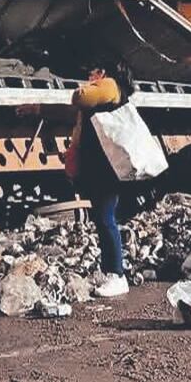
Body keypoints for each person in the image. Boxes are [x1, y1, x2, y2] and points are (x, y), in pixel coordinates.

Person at [68, 59, 135, 298]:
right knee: (102, 217)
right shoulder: (108, 91)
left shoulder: (109, 86)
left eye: (92, 72)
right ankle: (110, 270)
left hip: (107, 169)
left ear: (103, 72)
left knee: (106, 218)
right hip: (102, 167)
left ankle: (117, 274)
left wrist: (88, 85)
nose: (89, 76)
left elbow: (81, 98)